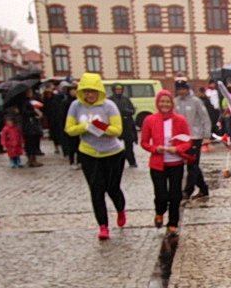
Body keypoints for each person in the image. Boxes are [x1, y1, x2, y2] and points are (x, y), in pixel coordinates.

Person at [66, 72, 127, 240]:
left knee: (112, 188)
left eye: (92, 91)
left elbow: (117, 130)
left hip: (112, 153)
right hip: (89, 153)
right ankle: (103, 226)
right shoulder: (75, 106)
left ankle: (121, 209)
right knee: (96, 190)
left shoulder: (109, 106)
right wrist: (85, 126)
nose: (89, 95)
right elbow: (69, 129)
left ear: (99, 91)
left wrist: (102, 127)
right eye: (86, 91)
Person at [139, 90, 193, 234]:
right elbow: (144, 142)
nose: (164, 104)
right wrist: (155, 149)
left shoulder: (180, 120)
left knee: (175, 195)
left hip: (176, 163)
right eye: (162, 101)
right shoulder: (149, 120)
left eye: (167, 101)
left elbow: (187, 141)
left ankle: (173, 221)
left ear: (171, 103)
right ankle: (159, 212)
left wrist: (177, 148)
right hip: (158, 164)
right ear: (157, 103)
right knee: (161, 194)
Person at [173, 79, 212, 199]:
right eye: (179, 89)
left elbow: (205, 118)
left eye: (183, 89)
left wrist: (206, 136)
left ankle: (188, 190)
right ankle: (203, 188)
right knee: (191, 164)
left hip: (195, 136)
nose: (181, 91)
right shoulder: (175, 102)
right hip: (181, 138)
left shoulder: (196, 101)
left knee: (193, 164)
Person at [108, 83, 139, 168]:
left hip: (127, 124)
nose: (119, 91)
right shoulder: (110, 100)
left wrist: (127, 111)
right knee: (115, 145)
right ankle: (116, 162)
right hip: (116, 124)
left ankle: (132, 161)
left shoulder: (126, 99)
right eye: (117, 89)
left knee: (129, 145)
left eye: (120, 89)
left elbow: (132, 110)